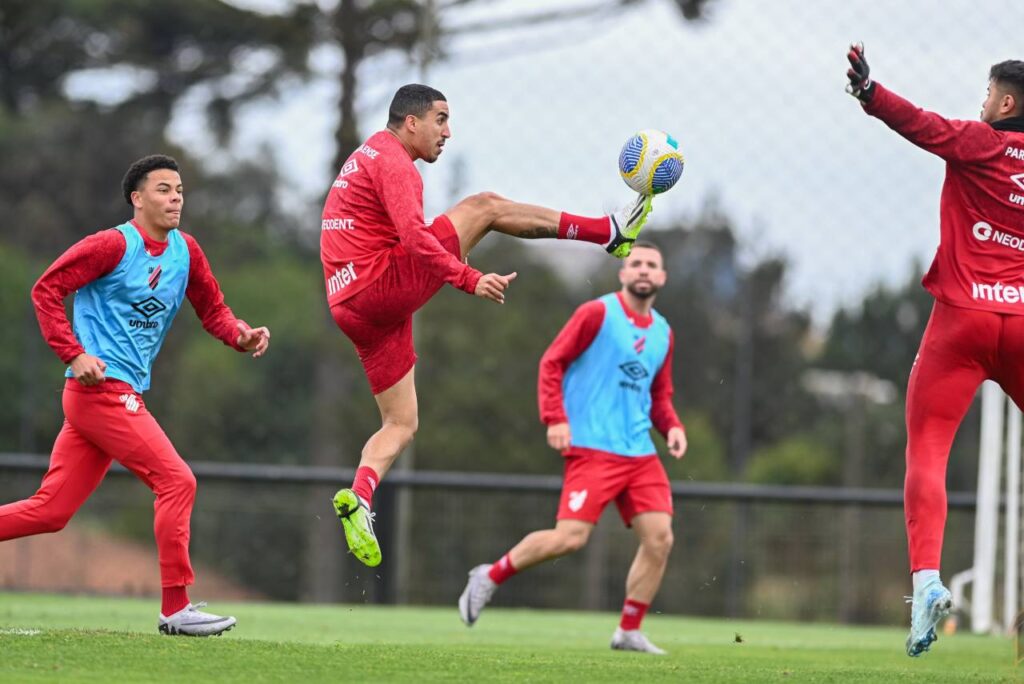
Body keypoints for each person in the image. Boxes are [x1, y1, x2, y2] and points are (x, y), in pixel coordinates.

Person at [322, 84, 657, 567]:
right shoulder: (395, 162)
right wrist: (468, 277)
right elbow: (416, 239)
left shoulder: (366, 155)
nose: (447, 132)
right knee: (485, 207)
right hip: (377, 287)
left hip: (349, 304)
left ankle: (360, 496)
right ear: (411, 122)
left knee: (400, 423)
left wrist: (454, 253)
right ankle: (610, 232)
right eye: (440, 119)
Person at [0, 155, 271, 637]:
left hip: (112, 396)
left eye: (181, 190)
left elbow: (214, 309)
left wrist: (240, 335)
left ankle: (176, 608)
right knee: (177, 481)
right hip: (100, 391)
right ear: (137, 198)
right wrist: (74, 353)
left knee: (50, 512)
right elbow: (46, 290)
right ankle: (175, 609)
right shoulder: (110, 245)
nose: (176, 199)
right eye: (164, 190)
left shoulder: (185, 252)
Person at [847, 44, 1024, 656]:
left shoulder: (983, 140)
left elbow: (921, 124)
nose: (981, 103)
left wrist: (871, 93)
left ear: (1005, 103)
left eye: (986, 94)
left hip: (962, 319)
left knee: (927, 447)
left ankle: (925, 581)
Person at [457, 242, 686, 654]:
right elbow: (552, 362)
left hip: (640, 451)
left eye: (652, 264)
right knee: (570, 539)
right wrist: (556, 418)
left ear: (663, 277)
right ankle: (490, 575)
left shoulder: (664, 332)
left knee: (660, 538)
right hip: (593, 446)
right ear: (623, 273)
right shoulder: (597, 313)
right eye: (636, 263)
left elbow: (660, 394)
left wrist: (671, 427)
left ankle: (628, 631)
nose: (644, 270)